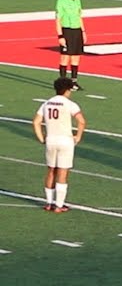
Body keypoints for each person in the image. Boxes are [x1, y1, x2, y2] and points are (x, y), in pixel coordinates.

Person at [32, 77, 86, 213]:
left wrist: (41, 138)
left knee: (51, 171)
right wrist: (78, 137)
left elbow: (36, 122)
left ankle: (49, 203)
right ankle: (59, 205)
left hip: (51, 140)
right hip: (65, 141)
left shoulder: (46, 103)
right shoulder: (70, 104)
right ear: (67, 90)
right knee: (63, 172)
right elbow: (81, 121)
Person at [55, 0, 87, 90]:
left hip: (77, 30)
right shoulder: (61, 1)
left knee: (76, 57)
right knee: (65, 57)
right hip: (67, 31)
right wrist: (60, 36)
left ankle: (74, 81)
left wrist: (83, 31)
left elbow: (79, 16)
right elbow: (58, 20)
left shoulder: (78, 0)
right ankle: (62, 82)